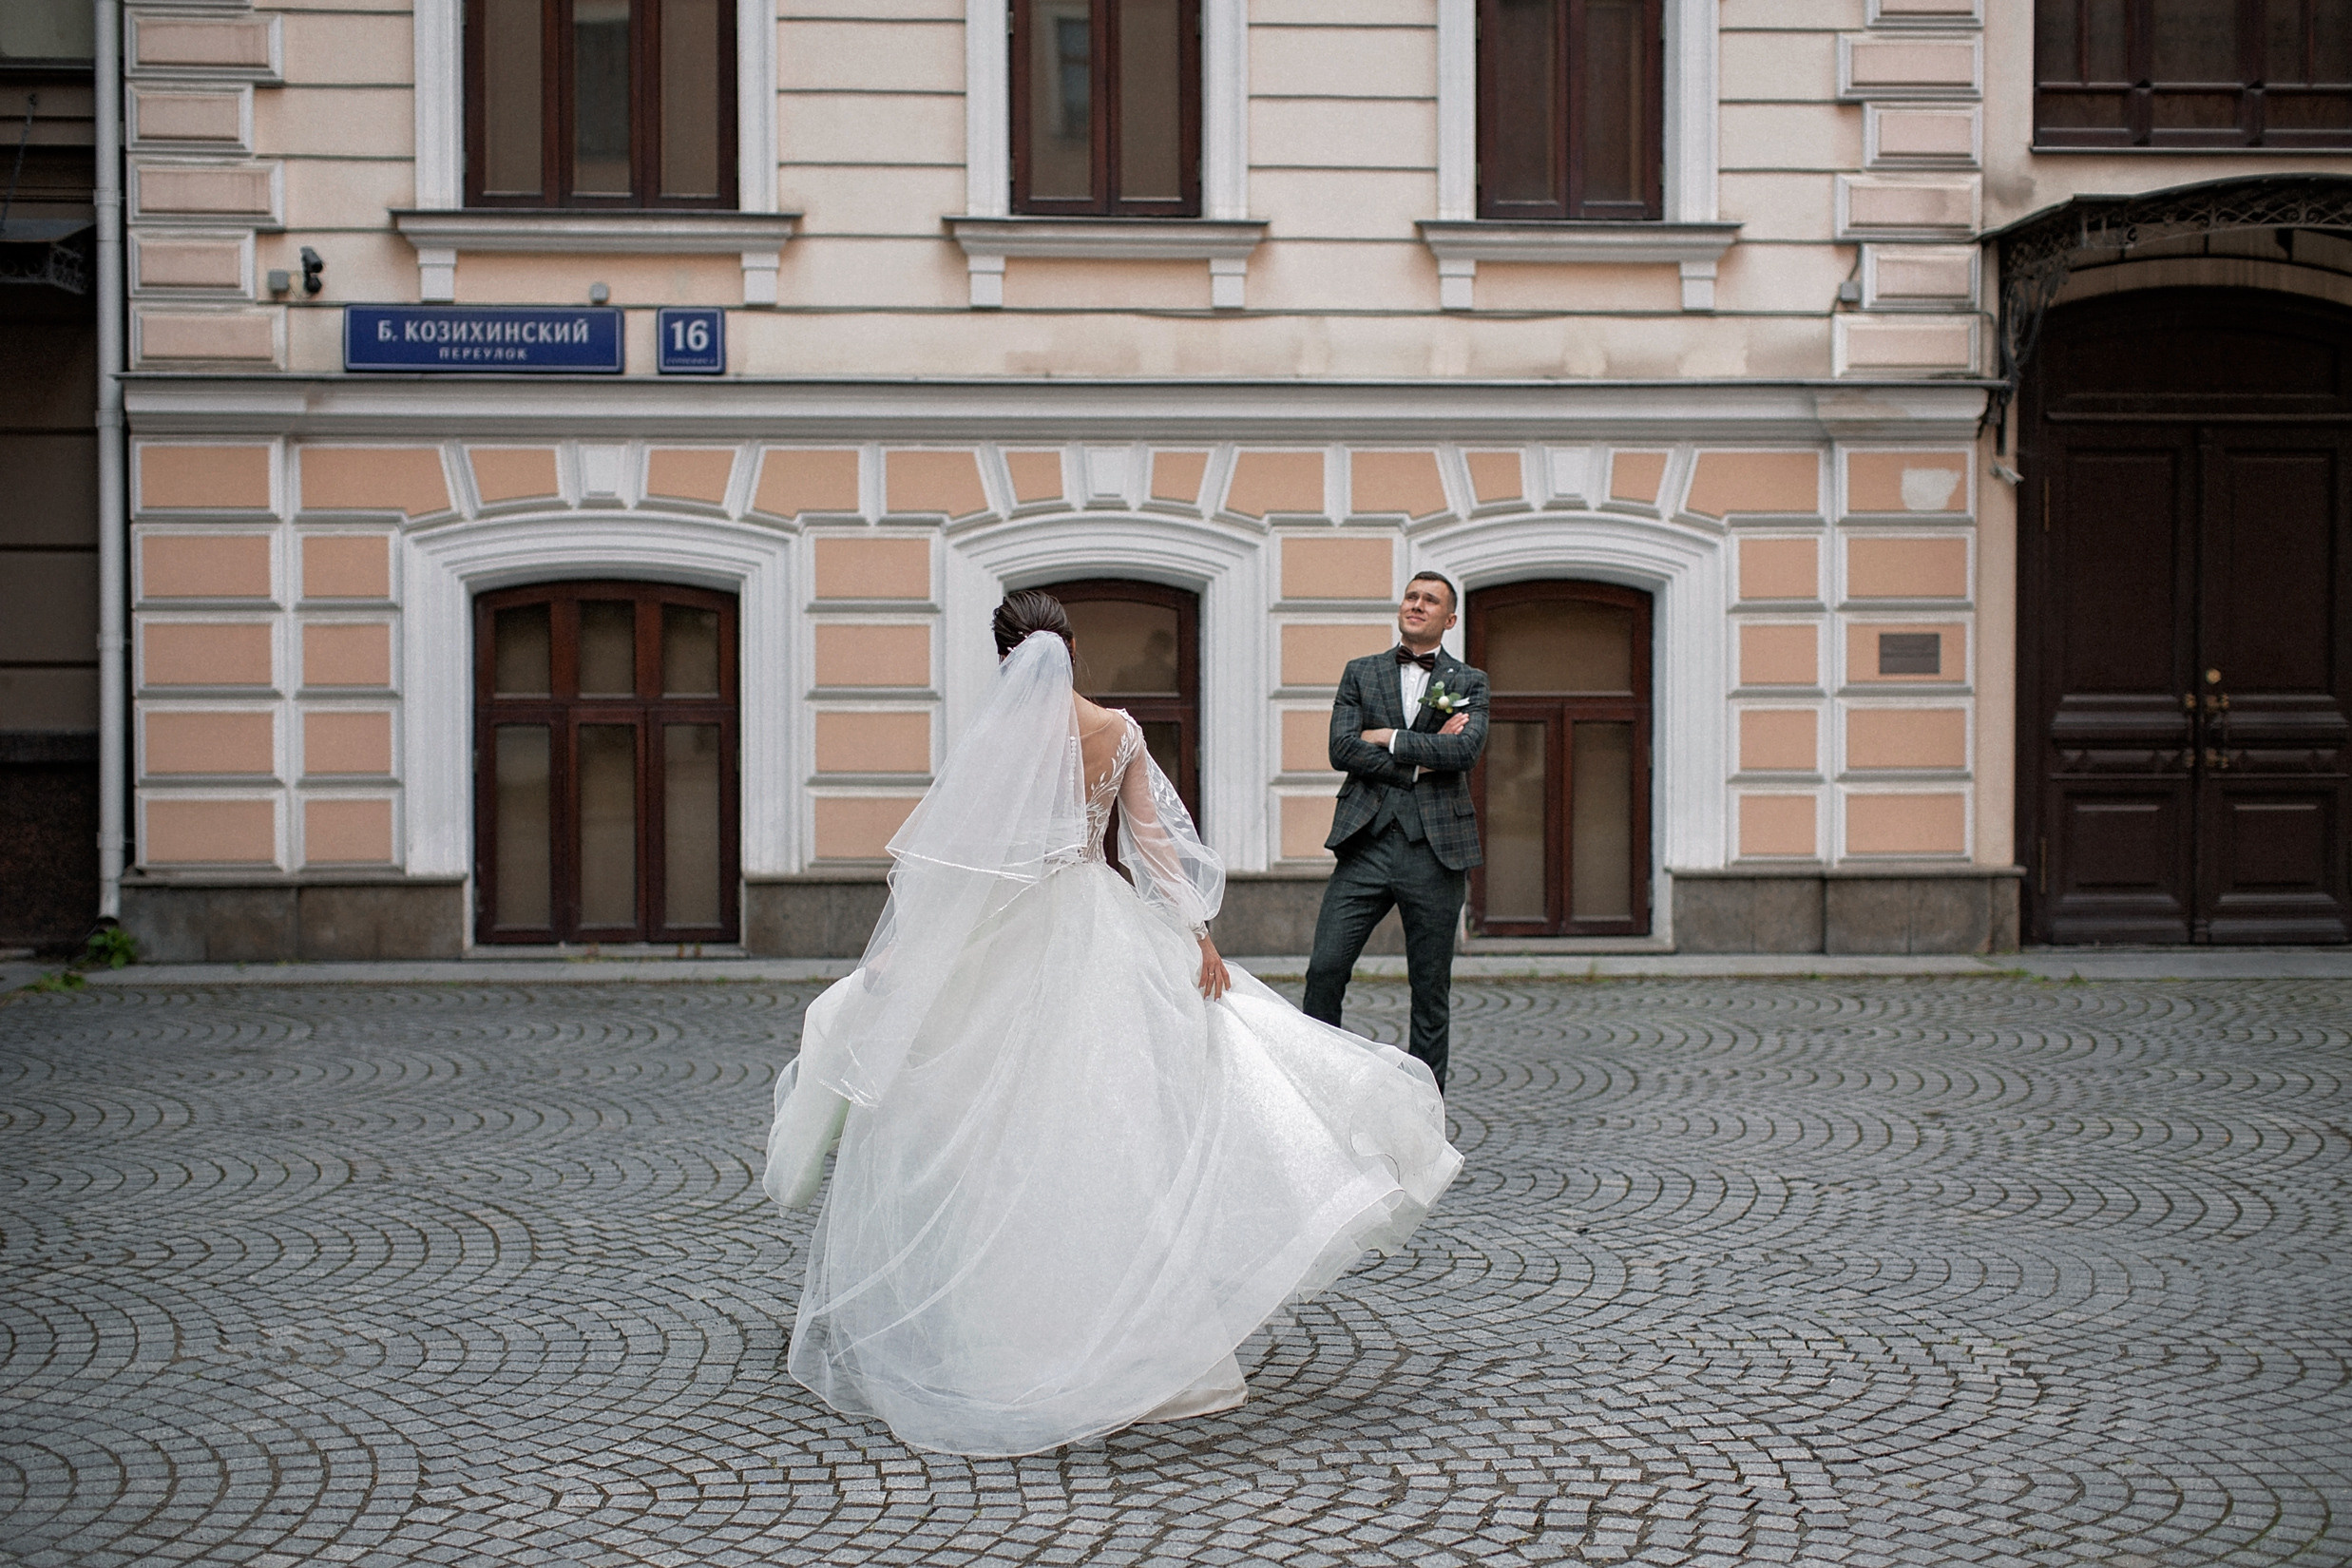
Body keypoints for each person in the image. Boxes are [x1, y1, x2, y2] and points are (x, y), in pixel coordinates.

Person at [764, 589, 1462, 1458]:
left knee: (994, 1133)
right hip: (1097, 923)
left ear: (1003, 655)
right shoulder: (1118, 729)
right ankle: (1139, 1338)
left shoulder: (1000, 737)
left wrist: (901, 961)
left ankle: (1004, 1329)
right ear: (1070, 648)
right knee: (1112, 1127)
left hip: (1007, 939)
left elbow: (961, 865)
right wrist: (1196, 934)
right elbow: (1151, 844)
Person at [1303, 572, 1489, 1093]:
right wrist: (1415, 762)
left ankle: (1424, 1108)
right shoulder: (1361, 673)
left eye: (1430, 601)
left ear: (1448, 620)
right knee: (1325, 970)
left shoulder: (1468, 682)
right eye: (1411, 596)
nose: (1417, 605)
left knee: (1430, 992)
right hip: (1365, 845)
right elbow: (1342, 749)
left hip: (1436, 853)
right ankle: (1319, 1087)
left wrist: (1388, 738)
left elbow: (1464, 753)